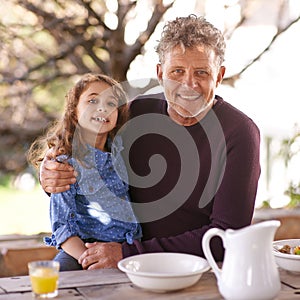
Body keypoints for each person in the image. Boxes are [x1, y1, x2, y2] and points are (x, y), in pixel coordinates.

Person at [39, 15, 261, 270]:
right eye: (177, 71)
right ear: (160, 73)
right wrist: (51, 173)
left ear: (219, 76)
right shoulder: (137, 114)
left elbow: (227, 237)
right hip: (114, 258)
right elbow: (87, 161)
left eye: (202, 72)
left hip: (196, 269)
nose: (189, 84)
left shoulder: (240, 133)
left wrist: (131, 253)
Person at [28, 73, 142, 271]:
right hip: (81, 251)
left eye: (111, 103)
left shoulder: (121, 153)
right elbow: (62, 227)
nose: (102, 108)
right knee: (60, 275)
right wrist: (89, 259)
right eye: (93, 100)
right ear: (74, 112)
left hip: (125, 249)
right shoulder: (65, 164)